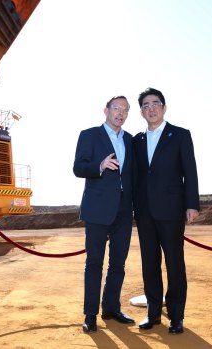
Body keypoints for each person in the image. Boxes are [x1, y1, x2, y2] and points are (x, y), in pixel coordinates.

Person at [132, 87, 200, 334]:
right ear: (141, 112)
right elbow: (135, 177)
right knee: (149, 264)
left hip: (171, 210)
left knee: (174, 263)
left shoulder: (180, 135)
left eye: (155, 103)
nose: (151, 108)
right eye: (146, 105)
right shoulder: (136, 141)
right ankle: (152, 313)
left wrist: (192, 204)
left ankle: (176, 316)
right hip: (144, 212)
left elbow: (189, 171)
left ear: (164, 107)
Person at [73, 96, 134, 333]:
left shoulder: (130, 140)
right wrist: (99, 166)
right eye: (116, 108)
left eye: (125, 110)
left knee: (118, 263)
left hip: (123, 210)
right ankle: (90, 314)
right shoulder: (89, 135)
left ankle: (111, 308)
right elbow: (78, 167)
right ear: (106, 110)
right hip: (97, 209)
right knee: (94, 263)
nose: (120, 113)